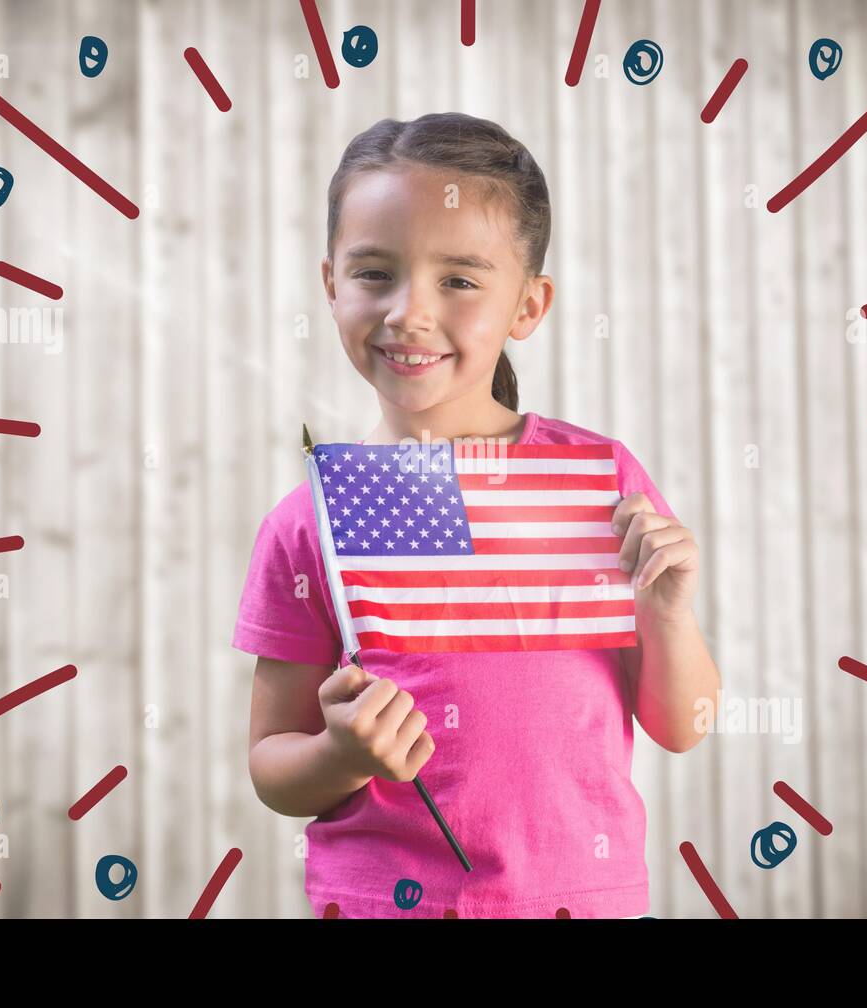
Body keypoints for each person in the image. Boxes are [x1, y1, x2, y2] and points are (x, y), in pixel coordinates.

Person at [233, 112, 719, 918]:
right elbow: (271, 766)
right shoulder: (310, 520)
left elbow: (682, 726)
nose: (408, 314)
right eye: (374, 274)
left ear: (528, 305)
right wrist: (340, 753)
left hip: (579, 902)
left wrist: (668, 615)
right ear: (331, 285)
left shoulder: (596, 482)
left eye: (458, 280)